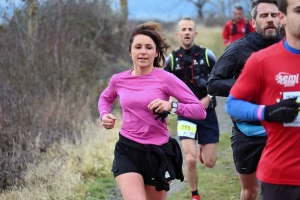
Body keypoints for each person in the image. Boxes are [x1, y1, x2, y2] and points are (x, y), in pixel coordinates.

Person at [98, 21, 207, 200]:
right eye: (138, 47)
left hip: (158, 153)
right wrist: (104, 114)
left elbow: (199, 110)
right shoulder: (118, 80)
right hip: (128, 149)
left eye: (149, 47)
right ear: (130, 51)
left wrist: (171, 106)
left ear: (156, 52)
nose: (143, 51)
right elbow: (105, 98)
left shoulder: (165, 79)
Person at [207, 0, 282, 199]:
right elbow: (213, 83)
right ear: (254, 22)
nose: (270, 20)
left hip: (283, 130)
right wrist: (249, 85)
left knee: (279, 188)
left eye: (274, 15)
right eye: (264, 16)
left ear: (281, 18)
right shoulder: (238, 49)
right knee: (250, 190)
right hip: (248, 131)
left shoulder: (291, 46)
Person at [226, 0, 300, 199]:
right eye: (299, 11)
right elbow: (232, 105)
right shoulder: (261, 60)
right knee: (249, 190)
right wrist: (265, 112)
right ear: (283, 17)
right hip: (281, 176)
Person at [164, 17, 219, 200]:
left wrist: (208, 98)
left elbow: (220, 79)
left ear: (195, 33)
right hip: (185, 113)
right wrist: (169, 104)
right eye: (183, 29)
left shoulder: (207, 55)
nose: (187, 32)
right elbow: (161, 84)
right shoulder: (171, 59)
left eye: (190, 29)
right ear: (178, 34)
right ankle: (195, 195)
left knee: (210, 163)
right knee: (190, 159)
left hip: (207, 112)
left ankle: (203, 148)